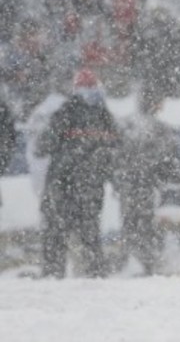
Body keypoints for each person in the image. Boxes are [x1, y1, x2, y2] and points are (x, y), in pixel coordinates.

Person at [36, 68, 123, 278]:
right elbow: (117, 151)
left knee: (56, 234)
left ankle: (52, 276)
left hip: (62, 184)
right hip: (89, 185)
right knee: (89, 234)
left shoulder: (65, 112)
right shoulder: (105, 116)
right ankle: (95, 276)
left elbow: (41, 147)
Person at [113, 87, 180, 275]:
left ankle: (125, 262)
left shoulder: (125, 124)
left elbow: (114, 155)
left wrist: (118, 177)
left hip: (129, 184)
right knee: (146, 223)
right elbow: (170, 162)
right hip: (148, 185)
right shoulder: (161, 130)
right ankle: (147, 263)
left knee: (128, 222)